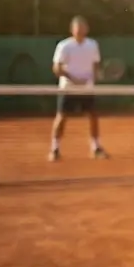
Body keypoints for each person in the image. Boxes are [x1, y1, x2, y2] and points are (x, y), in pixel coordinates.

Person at [50, 16, 108, 161]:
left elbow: (95, 65)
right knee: (62, 117)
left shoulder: (92, 45)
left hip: (87, 89)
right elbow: (56, 68)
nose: (80, 31)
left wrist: (93, 78)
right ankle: (54, 149)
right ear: (72, 30)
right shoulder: (64, 46)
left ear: (87, 29)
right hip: (68, 88)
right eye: (78, 28)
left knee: (93, 116)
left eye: (83, 28)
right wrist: (73, 78)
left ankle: (95, 147)